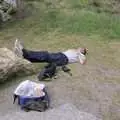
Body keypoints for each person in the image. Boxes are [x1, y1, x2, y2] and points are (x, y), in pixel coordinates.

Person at [14, 39, 88, 80]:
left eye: (81, 49)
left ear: (82, 51)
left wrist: (80, 53)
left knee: (45, 55)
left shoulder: (81, 55)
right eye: (80, 47)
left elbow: (82, 62)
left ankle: (24, 53)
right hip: (61, 55)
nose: (79, 48)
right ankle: (26, 57)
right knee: (45, 57)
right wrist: (76, 51)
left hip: (64, 58)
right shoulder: (75, 50)